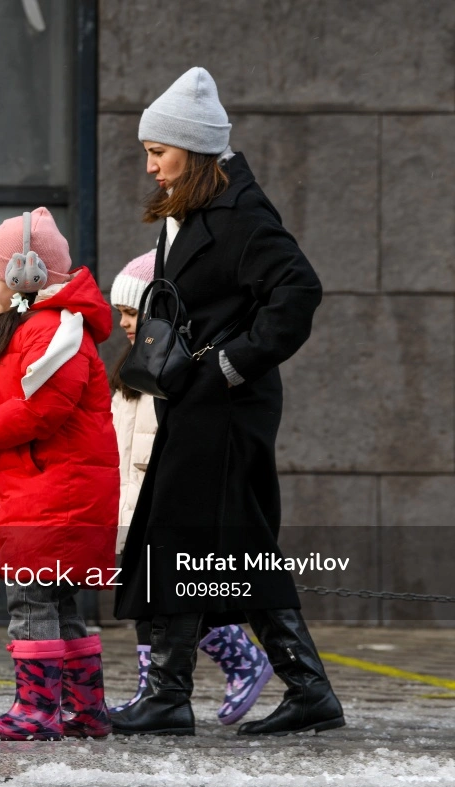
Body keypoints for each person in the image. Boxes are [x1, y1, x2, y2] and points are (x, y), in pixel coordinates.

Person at [111, 66, 344, 737]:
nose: (151, 167)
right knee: (215, 544)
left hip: (228, 408)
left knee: (202, 540)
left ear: (193, 147)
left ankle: (175, 695)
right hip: (199, 403)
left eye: (158, 153)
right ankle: (292, 688)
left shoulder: (240, 215)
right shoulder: (194, 207)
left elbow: (298, 291)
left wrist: (236, 363)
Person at [0, 207, 118, 741]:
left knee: (31, 603)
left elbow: (43, 409)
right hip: (47, 490)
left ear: (25, 274)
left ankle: (36, 710)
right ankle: (85, 710)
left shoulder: (56, 330)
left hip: (54, 496)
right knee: (59, 604)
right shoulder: (42, 328)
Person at [108, 249, 273, 726]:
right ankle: (153, 691)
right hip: (132, 497)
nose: (124, 323)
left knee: (169, 600)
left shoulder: (171, 369)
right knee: (148, 602)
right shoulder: (133, 372)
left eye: (133, 312)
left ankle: (241, 659)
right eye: (120, 312)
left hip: (158, 497)